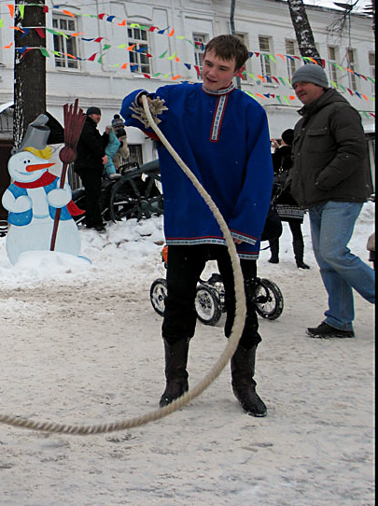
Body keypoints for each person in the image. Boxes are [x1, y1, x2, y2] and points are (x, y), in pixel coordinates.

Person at [121, 34, 272, 417]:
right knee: (178, 303)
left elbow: (259, 176)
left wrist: (244, 227)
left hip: (233, 227)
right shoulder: (176, 100)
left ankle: (244, 383)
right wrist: (140, 102)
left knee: (242, 309)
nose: (212, 73)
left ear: (237, 72)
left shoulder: (250, 112)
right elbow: (132, 109)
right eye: (208, 64)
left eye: (222, 68)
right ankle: (176, 380)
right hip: (188, 222)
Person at [287, 63, 375, 339]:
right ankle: (339, 320)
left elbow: (354, 149)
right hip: (316, 199)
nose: (299, 89)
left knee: (335, 253)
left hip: (340, 196)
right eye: (295, 86)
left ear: (320, 84)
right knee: (327, 260)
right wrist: (293, 185)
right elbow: (301, 163)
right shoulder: (305, 121)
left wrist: (323, 180)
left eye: (304, 84)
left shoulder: (340, 111)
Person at [271, 128, 310, 269]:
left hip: (278, 194)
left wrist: (277, 149)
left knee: (274, 226)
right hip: (294, 194)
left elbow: (271, 168)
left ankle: (274, 256)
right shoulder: (299, 156)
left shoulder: (277, 155)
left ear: (283, 140)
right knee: (296, 229)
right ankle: (299, 260)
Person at [75, 106, 108, 231]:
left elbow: (97, 143)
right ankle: (95, 222)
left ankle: (91, 220)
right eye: (95, 114)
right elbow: (92, 143)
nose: (98, 117)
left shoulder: (89, 127)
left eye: (99, 114)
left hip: (88, 165)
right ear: (89, 115)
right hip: (88, 166)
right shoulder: (86, 127)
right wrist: (102, 155)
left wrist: (105, 136)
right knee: (93, 194)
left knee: (93, 193)